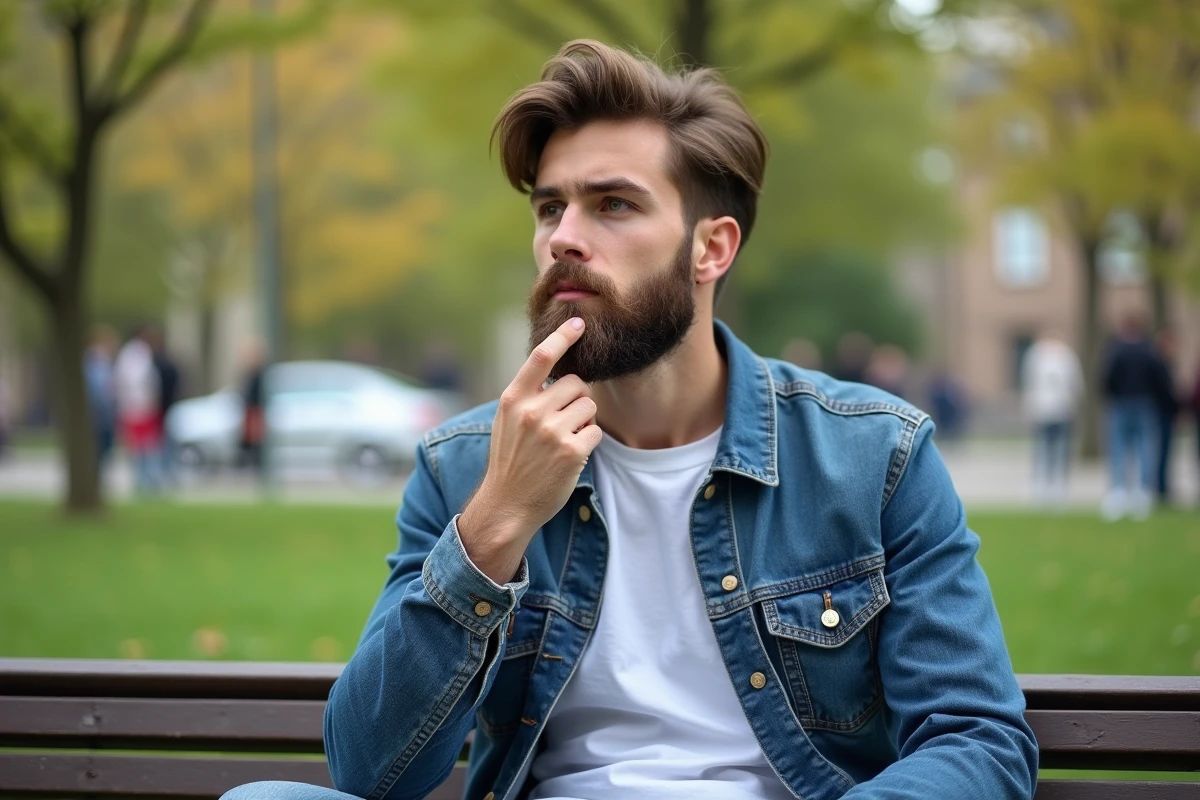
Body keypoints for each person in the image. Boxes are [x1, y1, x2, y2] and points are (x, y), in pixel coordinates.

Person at [224, 41, 1036, 800]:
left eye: (613, 205)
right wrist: (494, 526)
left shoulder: (871, 455)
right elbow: (371, 769)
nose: (564, 240)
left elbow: (978, 740)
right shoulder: (467, 466)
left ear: (710, 249)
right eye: (550, 209)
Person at [1100, 314, 1160, 521]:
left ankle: (1118, 491)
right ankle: (1142, 492)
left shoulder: (1116, 351)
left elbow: (1106, 378)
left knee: (1118, 448)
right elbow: (1158, 377)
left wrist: (1113, 395)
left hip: (1121, 403)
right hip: (1144, 403)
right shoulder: (1149, 351)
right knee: (1145, 448)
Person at [1020, 330, 1083, 507]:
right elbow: (1076, 384)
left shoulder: (1037, 355)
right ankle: (1052, 487)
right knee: (1053, 449)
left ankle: (1047, 487)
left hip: (1050, 410)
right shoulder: (1064, 355)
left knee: (1049, 449)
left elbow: (1028, 382)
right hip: (1055, 409)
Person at [113, 325, 164, 495]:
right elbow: (142, 381)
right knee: (145, 446)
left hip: (135, 407)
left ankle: (145, 480)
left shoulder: (130, 353)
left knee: (141, 447)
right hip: (140, 407)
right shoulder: (138, 353)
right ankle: (146, 481)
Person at [1149, 328, 1180, 506]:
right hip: (1162, 413)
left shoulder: (1163, 363)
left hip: (1165, 412)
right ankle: (1161, 488)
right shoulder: (1160, 364)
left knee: (1163, 452)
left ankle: (1163, 487)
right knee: (1161, 451)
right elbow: (1165, 391)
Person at [84, 325, 120, 473]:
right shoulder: (96, 363)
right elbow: (101, 394)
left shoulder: (97, 363)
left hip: (99, 416)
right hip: (100, 417)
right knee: (100, 452)